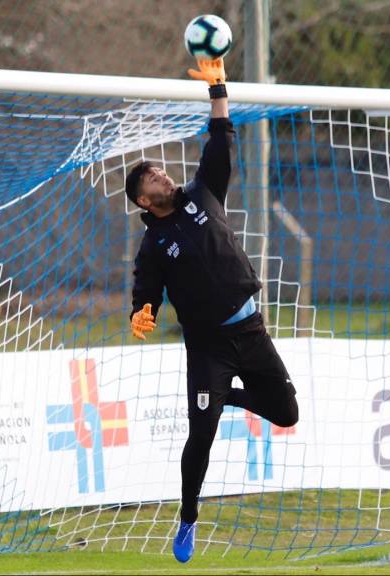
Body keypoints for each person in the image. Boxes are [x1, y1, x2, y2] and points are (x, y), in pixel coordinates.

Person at [124, 57, 299, 564]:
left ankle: (229, 399)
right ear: (143, 200)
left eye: (159, 169)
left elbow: (220, 142)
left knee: (287, 412)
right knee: (201, 435)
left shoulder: (203, 193)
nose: (161, 174)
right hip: (208, 348)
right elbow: (146, 289)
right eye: (151, 177)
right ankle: (187, 518)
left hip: (252, 329)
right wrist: (141, 312)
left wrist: (218, 89)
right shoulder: (154, 243)